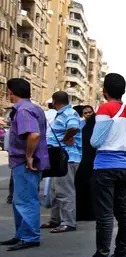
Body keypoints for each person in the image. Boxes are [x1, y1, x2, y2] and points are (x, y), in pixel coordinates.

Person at [70, 74, 126, 257]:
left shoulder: (105, 108)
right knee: (124, 212)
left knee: (105, 215)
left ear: (105, 91)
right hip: (125, 166)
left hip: (105, 166)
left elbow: (95, 141)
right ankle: (121, 255)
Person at [2, 78, 49, 251]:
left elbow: (34, 134)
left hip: (25, 162)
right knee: (20, 200)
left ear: (11, 92)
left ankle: (30, 236)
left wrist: (29, 156)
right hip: (23, 161)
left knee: (26, 200)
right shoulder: (33, 108)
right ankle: (22, 234)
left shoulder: (23, 110)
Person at [41, 91, 82, 234]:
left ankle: (68, 222)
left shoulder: (69, 113)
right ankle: (55, 219)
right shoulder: (62, 113)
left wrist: (65, 139)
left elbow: (73, 127)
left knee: (65, 191)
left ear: (54, 102)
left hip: (67, 158)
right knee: (55, 191)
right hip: (59, 158)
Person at [75, 106, 97, 221]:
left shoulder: (92, 126)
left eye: (90, 112)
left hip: (89, 160)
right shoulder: (82, 125)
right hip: (86, 159)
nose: (88, 114)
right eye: (85, 113)